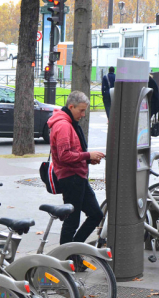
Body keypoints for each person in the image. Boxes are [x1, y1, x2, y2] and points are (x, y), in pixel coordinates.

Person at [47, 91, 106, 246]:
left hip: (77, 176)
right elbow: (64, 156)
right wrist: (87, 156)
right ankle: (66, 258)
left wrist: (88, 159)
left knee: (95, 214)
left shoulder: (68, 122)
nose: (83, 114)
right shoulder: (63, 125)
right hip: (71, 178)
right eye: (81, 110)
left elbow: (71, 153)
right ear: (71, 107)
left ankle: (73, 251)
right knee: (72, 221)